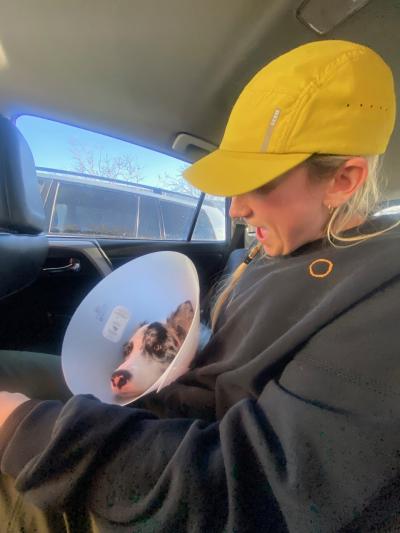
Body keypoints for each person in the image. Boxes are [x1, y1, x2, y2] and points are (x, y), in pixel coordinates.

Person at [1, 39, 400, 532]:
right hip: (163, 419)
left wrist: (26, 430)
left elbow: (257, 494)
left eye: (261, 180)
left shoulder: (384, 300)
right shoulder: (269, 249)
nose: (235, 208)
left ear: (343, 179)